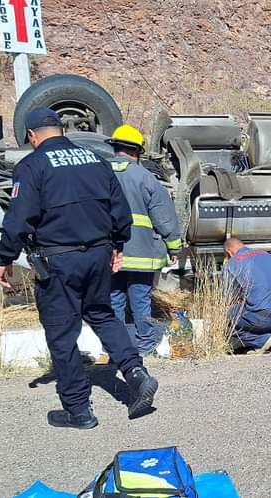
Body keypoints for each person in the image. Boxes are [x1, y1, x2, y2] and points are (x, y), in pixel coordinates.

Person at [0, 108, 157, 429]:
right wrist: (116, 246)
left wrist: (4, 258)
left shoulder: (32, 166)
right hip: (97, 255)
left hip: (58, 261)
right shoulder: (95, 160)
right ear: (61, 130)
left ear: (32, 135)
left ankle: (78, 410)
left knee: (61, 332)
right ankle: (137, 374)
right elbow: (120, 211)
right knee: (103, 315)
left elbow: (19, 218)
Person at [105, 125, 182, 356]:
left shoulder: (99, 173)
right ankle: (145, 342)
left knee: (114, 298)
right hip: (141, 252)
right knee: (140, 299)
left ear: (115, 147)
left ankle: (117, 346)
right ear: (137, 151)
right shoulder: (145, 177)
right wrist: (174, 245)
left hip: (109, 253)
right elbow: (164, 215)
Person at [221, 238, 271, 354]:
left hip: (263, 316)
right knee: (269, 301)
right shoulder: (267, 255)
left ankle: (261, 340)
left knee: (228, 313)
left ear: (229, 252)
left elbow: (226, 297)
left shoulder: (231, 264)